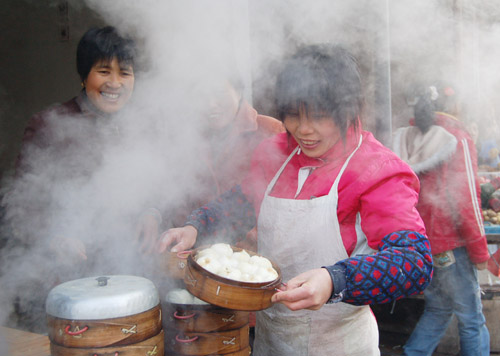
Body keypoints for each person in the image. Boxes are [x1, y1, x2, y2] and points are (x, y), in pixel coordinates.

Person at [159, 44, 433, 355]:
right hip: (271, 339)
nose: (303, 129)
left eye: (319, 116)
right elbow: (243, 203)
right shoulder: (275, 154)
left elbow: (414, 261)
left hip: (339, 344)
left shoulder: (377, 171)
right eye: (292, 114)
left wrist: (335, 280)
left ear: (349, 108)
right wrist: (197, 226)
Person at [4, 25, 136, 332]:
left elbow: (163, 189)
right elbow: (21, 207)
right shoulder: (49, 126)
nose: (115, 83)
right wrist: (52, 237)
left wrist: (152, 215)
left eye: (125, 73)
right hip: (64, 282)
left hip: (129, 273)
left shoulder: (141, 128)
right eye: (104, 71)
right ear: (83, 75)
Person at [136, 72, 284, 254]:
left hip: (252, 264)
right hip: (193, 258)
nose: (210, 104)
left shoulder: (270, 131)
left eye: (219, 94)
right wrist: (153, 212)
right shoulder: (184, 137)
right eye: (200, 96)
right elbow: (168, 189)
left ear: (238, 91)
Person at [393, 84, 490, 356]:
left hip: (421, 241)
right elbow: (466, 199)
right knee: (472, 318)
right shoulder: (457, 138)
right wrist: (479, 249)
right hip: (453, 243)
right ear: (456, 106)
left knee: (438, 308)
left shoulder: (407, 137)